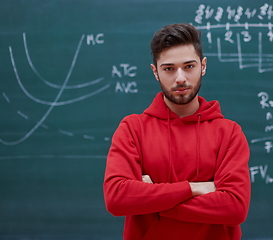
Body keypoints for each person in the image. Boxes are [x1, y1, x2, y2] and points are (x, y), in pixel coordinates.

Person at [103, 23, 251, 240]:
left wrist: (152, 201)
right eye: (169, 68)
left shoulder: (229, 133)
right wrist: (194, 188)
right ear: (155, 72)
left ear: (203, 66)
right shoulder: (132, 129)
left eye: (189, 66)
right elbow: (117, 198)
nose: (180, 78)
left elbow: (235, 207)